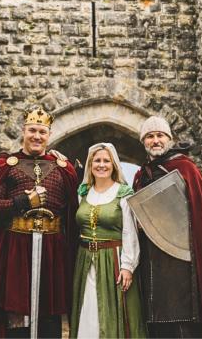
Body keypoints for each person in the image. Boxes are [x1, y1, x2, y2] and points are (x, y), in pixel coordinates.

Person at [0, 106, 79, 338]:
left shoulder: (64, 169)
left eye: (42, 132)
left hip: (53, 249)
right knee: (15, 312)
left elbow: (72, 213)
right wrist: (23, 201)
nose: (37, 136)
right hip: (15, 247)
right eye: (32, 130)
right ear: (24, 131)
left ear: (48, 135)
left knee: (50, 314)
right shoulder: (5, 167)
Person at [132, 116, 202, 338]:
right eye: (150, 136)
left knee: (184, 322)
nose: (155, 140)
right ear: (143, 141)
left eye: (160, 135)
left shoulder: (185, 168)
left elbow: (201, 215)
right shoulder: (140, 175)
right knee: (158, 321)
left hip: (185, 260)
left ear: (169, 139)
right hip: (152, 259)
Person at [70, 143, 146, 338]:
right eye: (97, 160)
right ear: (90, 164)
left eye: (106, 161)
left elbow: (130, 232)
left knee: (113, 311)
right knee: (88, 309)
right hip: (85, 260)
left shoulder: (123, 193)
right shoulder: (83, 192)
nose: (101, 165)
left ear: (113, 165)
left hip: (114, 259)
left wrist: (128, 266)